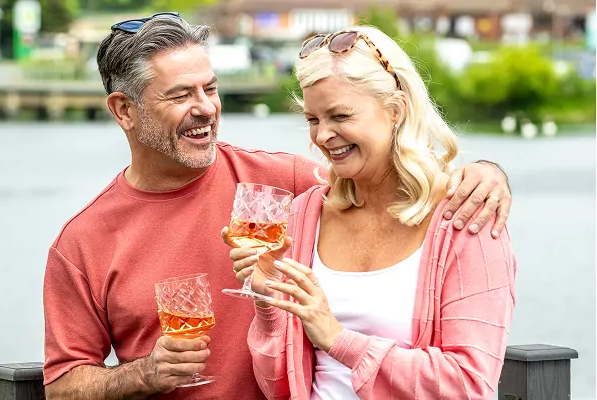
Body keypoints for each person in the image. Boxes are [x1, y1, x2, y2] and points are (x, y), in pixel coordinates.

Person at [42, 14, 513, 400]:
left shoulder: (287, 187)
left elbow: (381, 175)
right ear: (123, 110)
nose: (206, 108)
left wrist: (485, 171)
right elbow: (62, 384)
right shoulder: (85, 239)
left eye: (210, 88)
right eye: (181, 94)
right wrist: (144, 374)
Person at [228, 26, 517, 400]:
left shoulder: (465, 217)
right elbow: (278, 387)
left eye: (340, 116)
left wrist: (337, 339)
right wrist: (266, 302)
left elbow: (468, 384)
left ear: (395, 110)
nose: (323, 135)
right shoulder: (303, 215)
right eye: (313, 120)